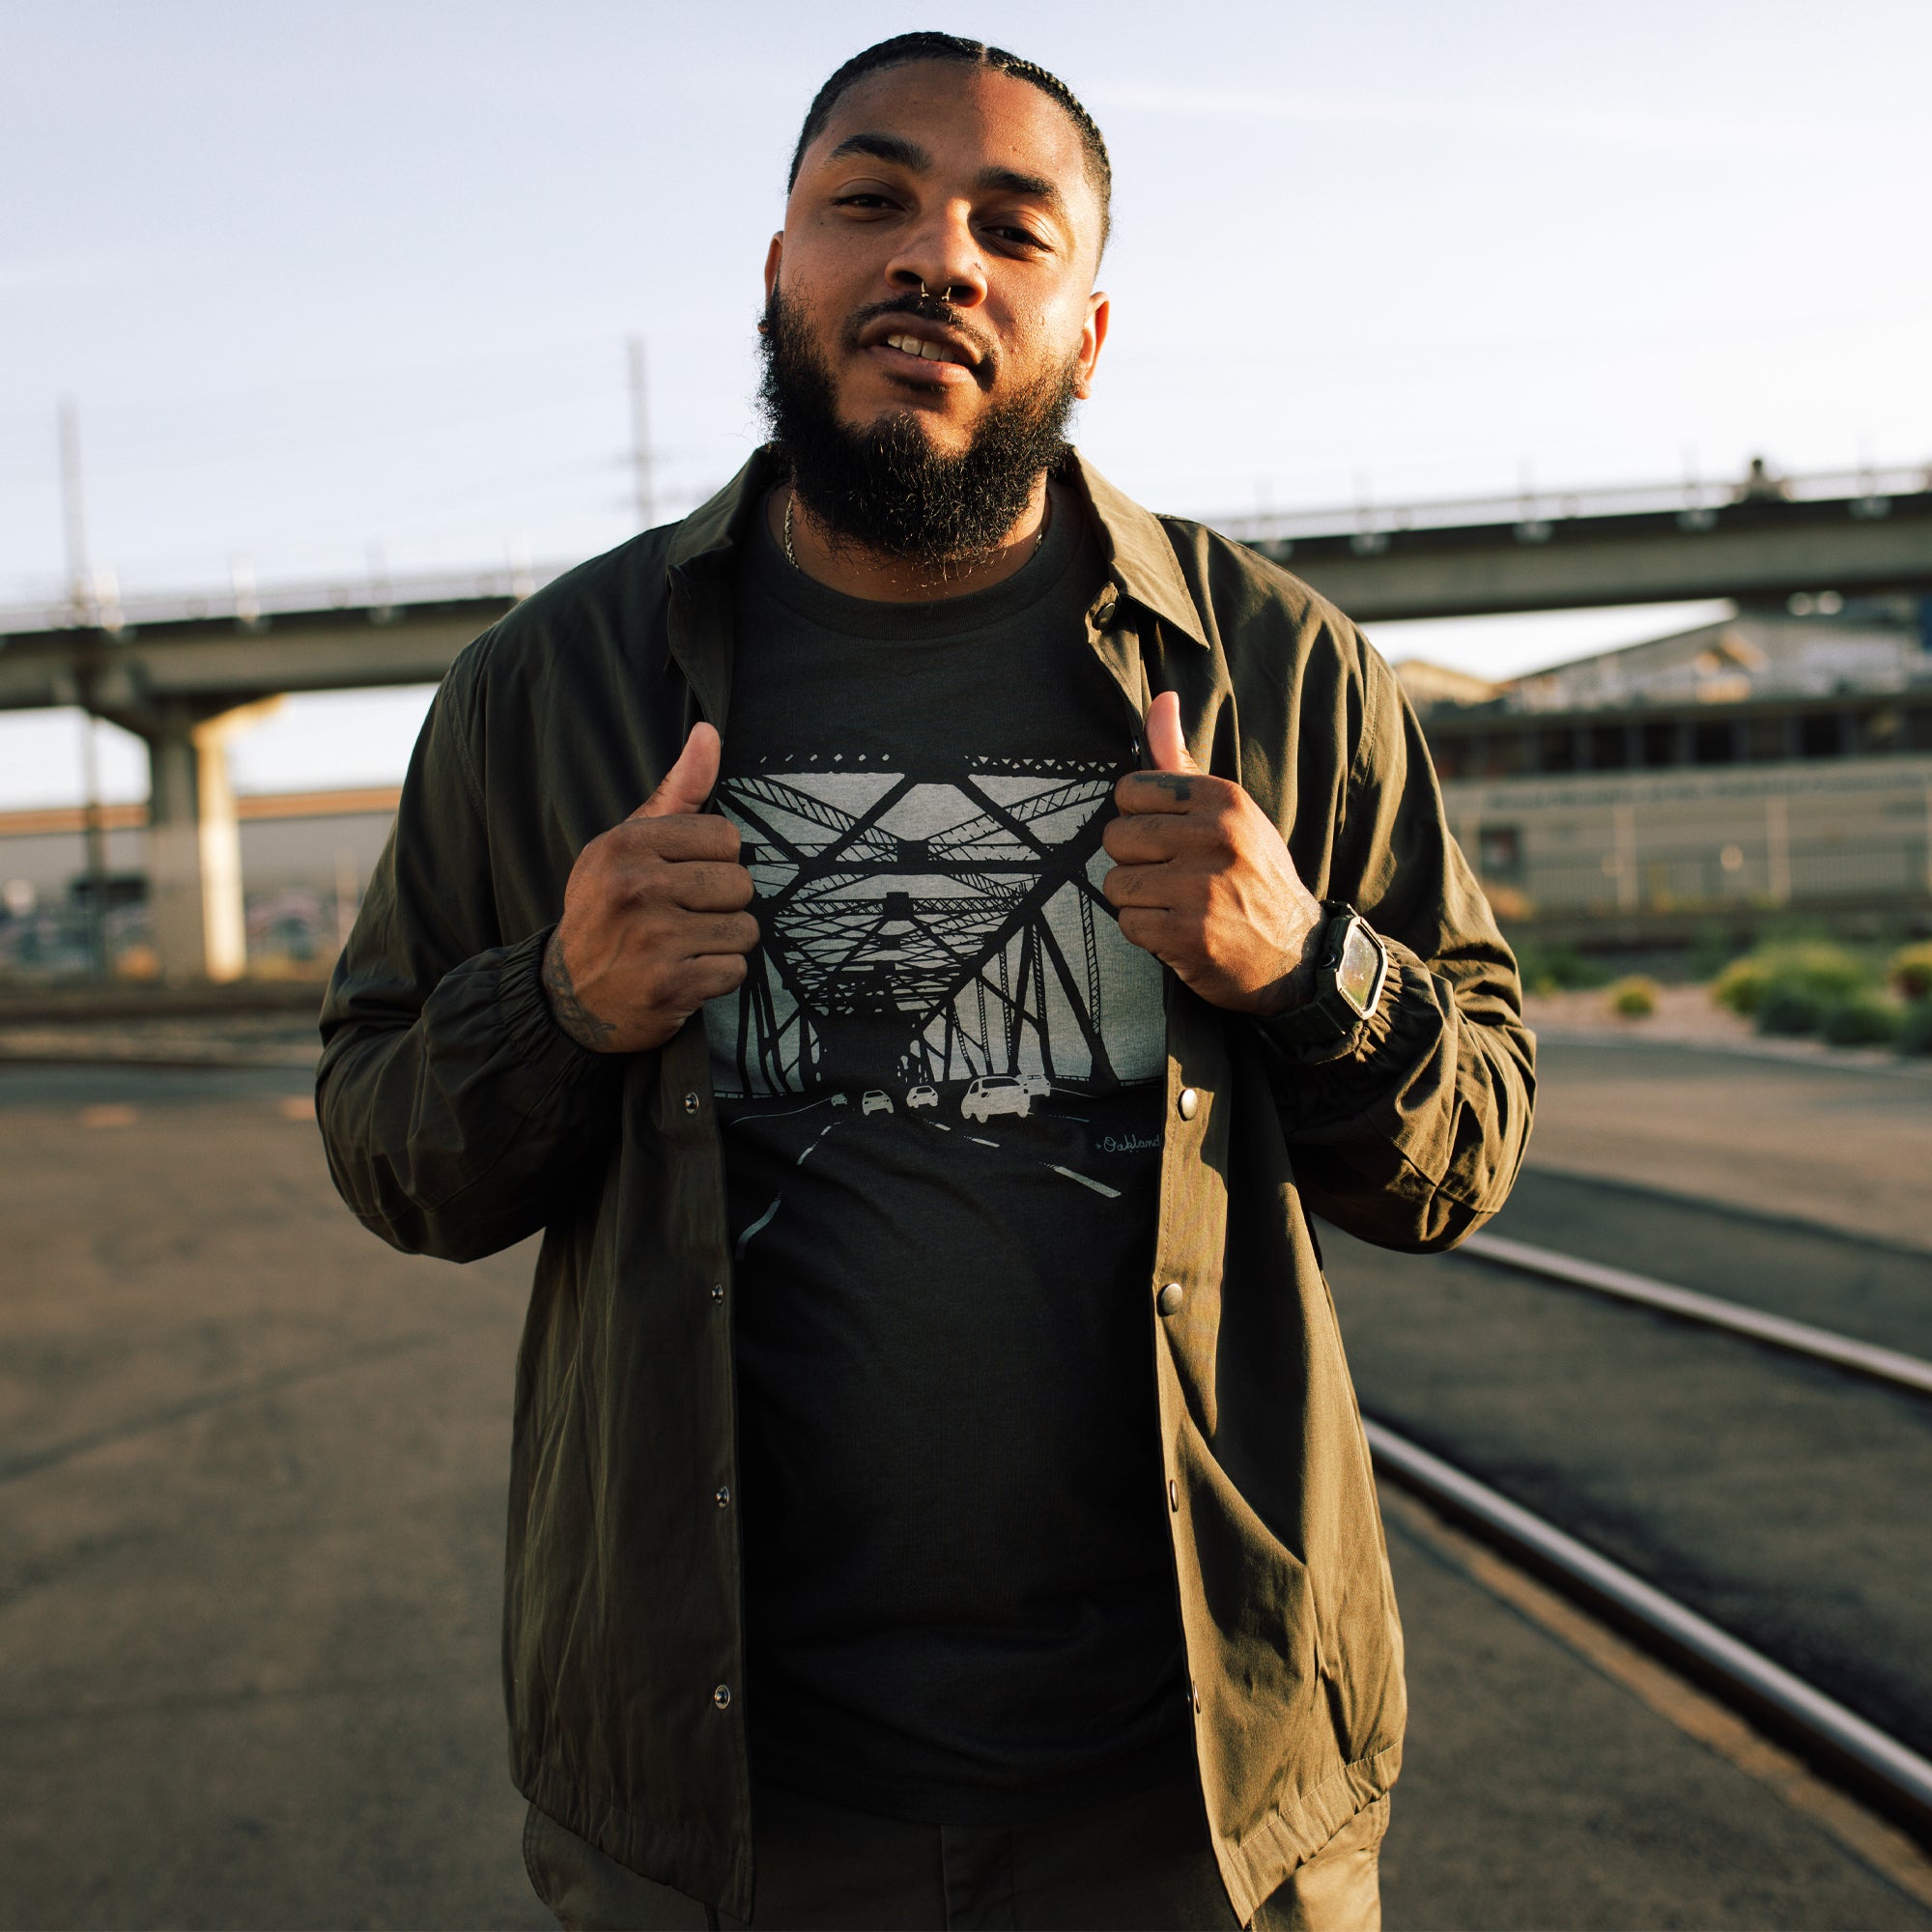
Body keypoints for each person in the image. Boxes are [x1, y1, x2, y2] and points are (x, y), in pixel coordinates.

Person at [317, 31, 1534, 1932]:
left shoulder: (1279, 668)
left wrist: (1306, 965)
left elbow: (1461, 1153)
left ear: (1090, 326)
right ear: (780, 268)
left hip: (1199, 1805)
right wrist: (554, 1004)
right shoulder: (548, 688)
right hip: (728, 1815)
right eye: (867, 200)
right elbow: (390, 1154)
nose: (936, 258)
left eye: (1008, 225)